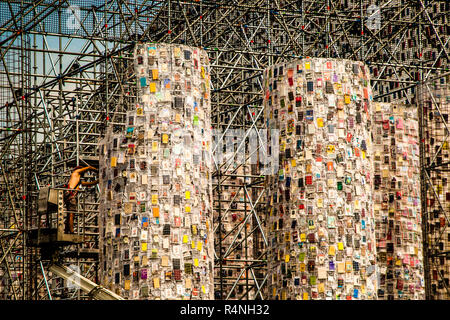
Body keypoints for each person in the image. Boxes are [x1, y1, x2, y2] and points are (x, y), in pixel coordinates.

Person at [64, 166, 98, 233]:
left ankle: (67, 229)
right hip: (71, 196)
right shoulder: (75, 172)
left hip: (69, 195)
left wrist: (98, 181)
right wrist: (96, 170)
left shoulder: (78, 181)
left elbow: (91, 183)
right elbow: (88, 167)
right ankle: (71, 231)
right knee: (71, 214)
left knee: (70, 214)